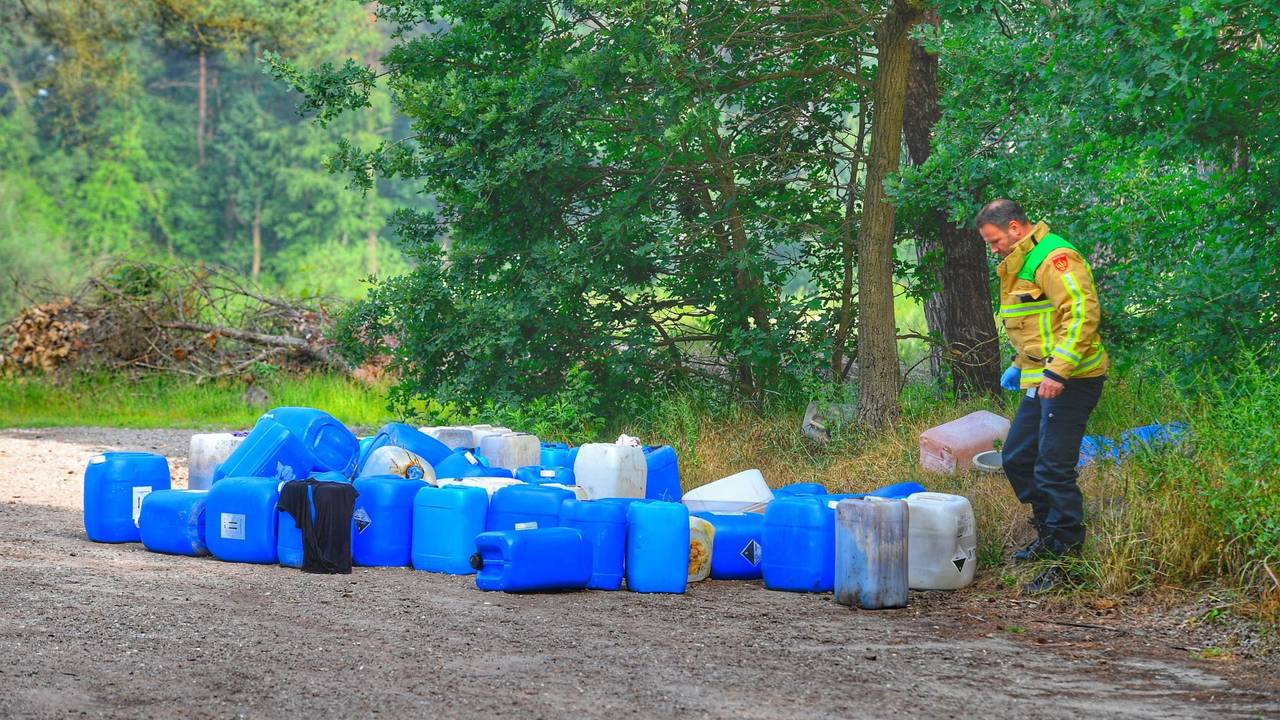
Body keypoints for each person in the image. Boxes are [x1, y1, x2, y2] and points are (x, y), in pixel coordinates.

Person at [976, 199, 1109, 594]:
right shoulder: (1020, 261)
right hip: (1040, 377)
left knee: (1053, 469)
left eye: (995, 240)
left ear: (1015, 227)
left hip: (1072, 378)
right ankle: (1049, 536)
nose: (992, 248)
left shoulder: (1055, 257)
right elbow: (1037, 324)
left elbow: (1083, 314)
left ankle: (1067, 563)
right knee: (1017, 457)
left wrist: (1058, 371)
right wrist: (1022, 363)